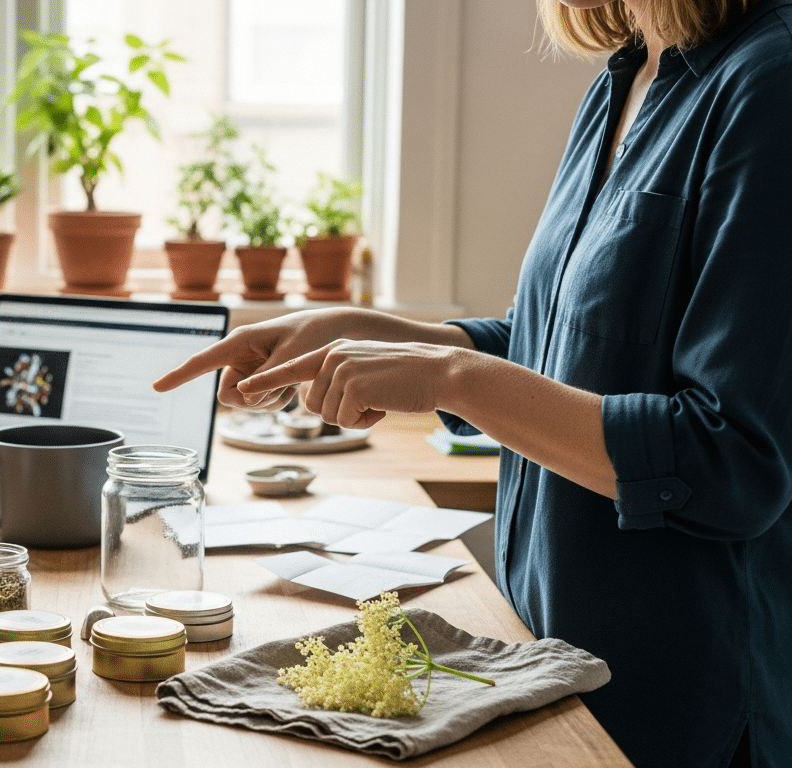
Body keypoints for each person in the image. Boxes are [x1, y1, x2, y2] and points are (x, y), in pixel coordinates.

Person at [155, 1, 791, 766]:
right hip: (558, 663)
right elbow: (555, 350)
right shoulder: (626, 74)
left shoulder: (771, 82)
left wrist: (455, 377)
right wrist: (365, 332)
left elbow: (730, 463)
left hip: (685, 713)